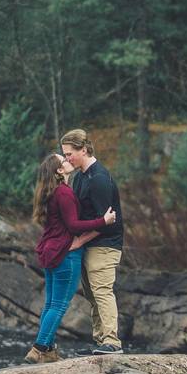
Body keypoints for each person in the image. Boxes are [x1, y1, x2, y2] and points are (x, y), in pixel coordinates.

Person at [26, 154, 115, 364]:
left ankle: (47, 349)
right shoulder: (64, 193)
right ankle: (38, 348)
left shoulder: (48, 192)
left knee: (50, 303)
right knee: (59, 304)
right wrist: (102, 220)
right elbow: (74, 225)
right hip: (66, 253)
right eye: (63, 160)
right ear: (59, 170)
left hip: (50, 251)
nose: (67, 160)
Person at [60, 128, 125, 355]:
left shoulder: (99, 179)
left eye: (70, 154)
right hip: (90, 244)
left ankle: (112, 342)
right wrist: (66, 175)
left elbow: (106, 222)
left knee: (102, 291)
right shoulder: (80, 177)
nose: (67, 158)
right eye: (65, 155)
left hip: (106, 245)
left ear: (84, 150)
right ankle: (100, 342)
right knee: (91, 294)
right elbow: (74, 211)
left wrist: (78, 243)